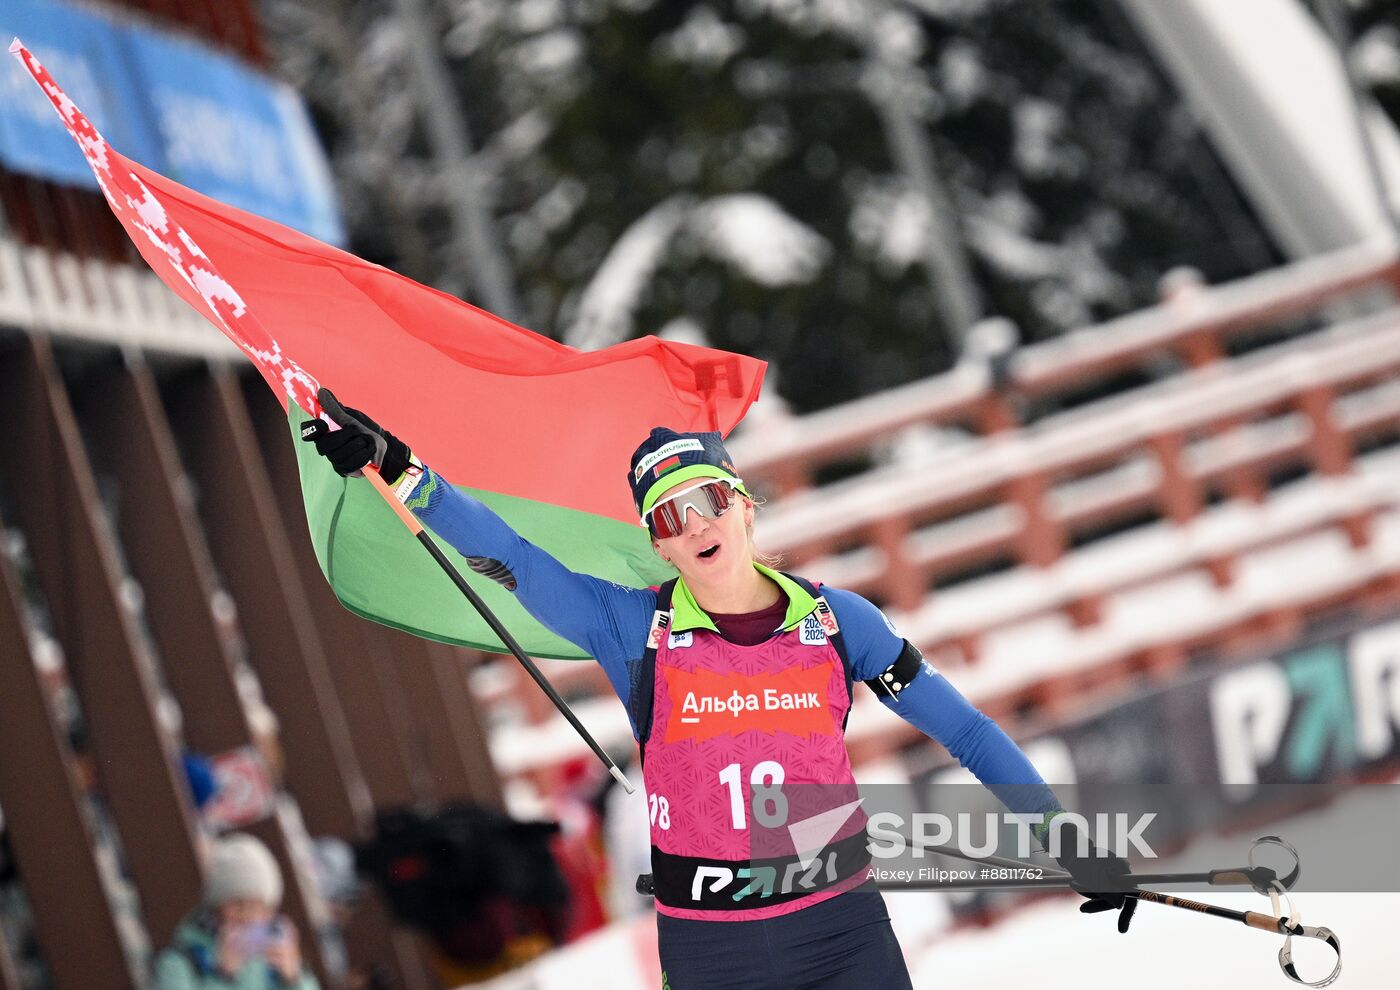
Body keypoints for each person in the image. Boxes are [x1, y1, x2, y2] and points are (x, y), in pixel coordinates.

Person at [304, 397, 1134, 989]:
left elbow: (970, 733)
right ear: (657, 546)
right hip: (713, 953)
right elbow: (515, 556)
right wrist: (400, 469)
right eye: (667, 518)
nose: (694, 527)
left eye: (706, 502)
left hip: (842, 932)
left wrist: (1067, 838)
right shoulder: (635, 628)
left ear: (744, 505)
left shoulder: (839, 624)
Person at [153, 833, 318, 990]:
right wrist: (223, 977)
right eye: (239, 906)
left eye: (260, 908)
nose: (249, 917)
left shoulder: (270, 961)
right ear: (216, 907)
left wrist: (295, 979)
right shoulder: (179, 963)